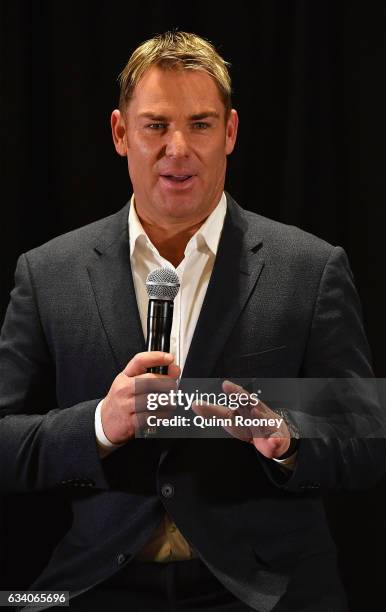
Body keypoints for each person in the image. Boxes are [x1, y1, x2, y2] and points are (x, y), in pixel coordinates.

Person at [0, 31, 383, 612]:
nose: (179, 147)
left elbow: (366, 439)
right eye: (156, 125)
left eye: (201, 124)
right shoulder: (47, 272)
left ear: (229, 133)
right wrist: (99, 425)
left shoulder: (311, 268)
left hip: (270, 590)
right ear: (119, 133)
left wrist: (288, 439)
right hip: (90, 585)